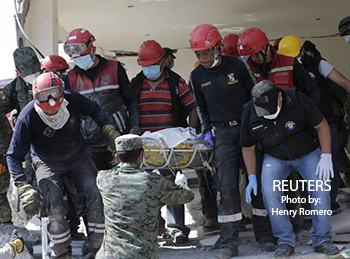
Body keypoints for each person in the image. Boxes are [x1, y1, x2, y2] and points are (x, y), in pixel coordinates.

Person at [6, 72, 119, 258]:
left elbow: (94, 110)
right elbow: (13, 155)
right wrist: (22, 185)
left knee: (95, 193)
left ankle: (98, 248)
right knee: (54, 205)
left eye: (55, 93)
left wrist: (107, 128)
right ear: (35, 97)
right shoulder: (28, 116)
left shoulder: (72, 99)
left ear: (62, 93)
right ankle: (61, 253)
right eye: (44, 96)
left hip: (78, 157)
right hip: (47, 163)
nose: (51, 102)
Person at [189, 23, 271, 257]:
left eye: (205, 52)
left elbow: (256, 95)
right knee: (226, 186)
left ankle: (264, 235)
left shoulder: (237, 66)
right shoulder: (197, 76)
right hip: (222, 134)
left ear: (218, 48)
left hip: (247, 130)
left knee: (256, 183)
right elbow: (202, 108)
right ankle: (229, 240)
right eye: (198, 54)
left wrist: (258, 127)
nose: (202, 58)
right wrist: (207, 132)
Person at [242, 80, 339, 257]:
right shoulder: (249, 111)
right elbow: (247, 147)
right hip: (275, 156)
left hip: (307, 153)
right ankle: (285, 241)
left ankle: (323, 239)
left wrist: (326, 156)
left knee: (320, 189)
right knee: (269, 192)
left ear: (279, 97)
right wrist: (252, 177)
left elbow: (321, 125)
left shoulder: (297, 99)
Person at [130, 40, 198, 243]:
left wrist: (192, 134)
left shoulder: (176, 82)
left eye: (152, 64)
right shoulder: (135, 84)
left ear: (162, 62)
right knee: (144, 187)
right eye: (145, 65)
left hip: (170, 144)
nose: (148, 69)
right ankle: (153, 227)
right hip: (144, 146)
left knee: (171, 185)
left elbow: (192, 107)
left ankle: (177, 228)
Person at [279, 36, 350, 212]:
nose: (293, 61)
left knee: (329, 164)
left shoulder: (318, 64)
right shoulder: (282, 68)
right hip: (300, 127)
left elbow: (344, 82)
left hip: (325, 121)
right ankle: (308, 206)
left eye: (296, 57)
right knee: (304, 167)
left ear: (302, 51)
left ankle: (330, 204)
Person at [95, 134, 195, 258]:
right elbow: (188, 196)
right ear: (142, 156)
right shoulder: (153, 182)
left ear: (117, 157)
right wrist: (181, 182)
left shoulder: (104, 179)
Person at [63, 28, 139, 170]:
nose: (79, 61)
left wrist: (134, 128)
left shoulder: (114, 68)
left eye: (82, 56)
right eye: (75, 58)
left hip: (119, 138)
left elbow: (131, 100)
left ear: (93, 50)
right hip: (89, 145)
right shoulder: (70, 78)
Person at [0, 46, 42, 224]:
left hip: (55, 140)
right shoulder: (14, 89)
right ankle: (38, 221)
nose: (32, 75)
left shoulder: (51, 79)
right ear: (18, 72)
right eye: (27, 72)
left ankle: (69, 226)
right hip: (29, 144)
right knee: (31, 183)